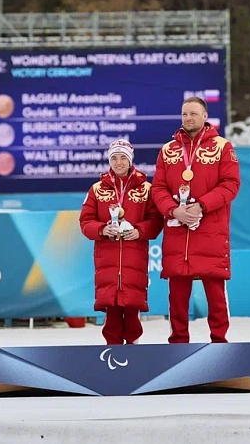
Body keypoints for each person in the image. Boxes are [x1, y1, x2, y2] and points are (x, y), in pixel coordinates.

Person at [151, 97, 241, 344]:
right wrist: (173, 211)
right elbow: (157, 188)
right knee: (177, 296)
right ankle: (178, 343)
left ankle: (220, 343)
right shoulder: (168, 150)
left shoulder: (223, 147)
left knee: (215, 293)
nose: (188, 118)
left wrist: (202, 205)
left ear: (204, 116)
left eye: (193, 113)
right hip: (178, 232)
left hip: (210, 230)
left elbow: (231, 184)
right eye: (184, 114)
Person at [79, 140, 164, 345]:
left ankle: (134, 350)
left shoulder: (146, 189)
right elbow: (85, 221)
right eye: (114, 158)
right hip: (107, 261)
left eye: (123, 158)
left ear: (130, 160)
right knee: (112, 314)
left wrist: (139, 231)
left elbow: (156, 220)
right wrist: (102, 229)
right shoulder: (97, 189)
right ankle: (112, 352)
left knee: (132, 311)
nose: (118, 162)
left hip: (134, 259)